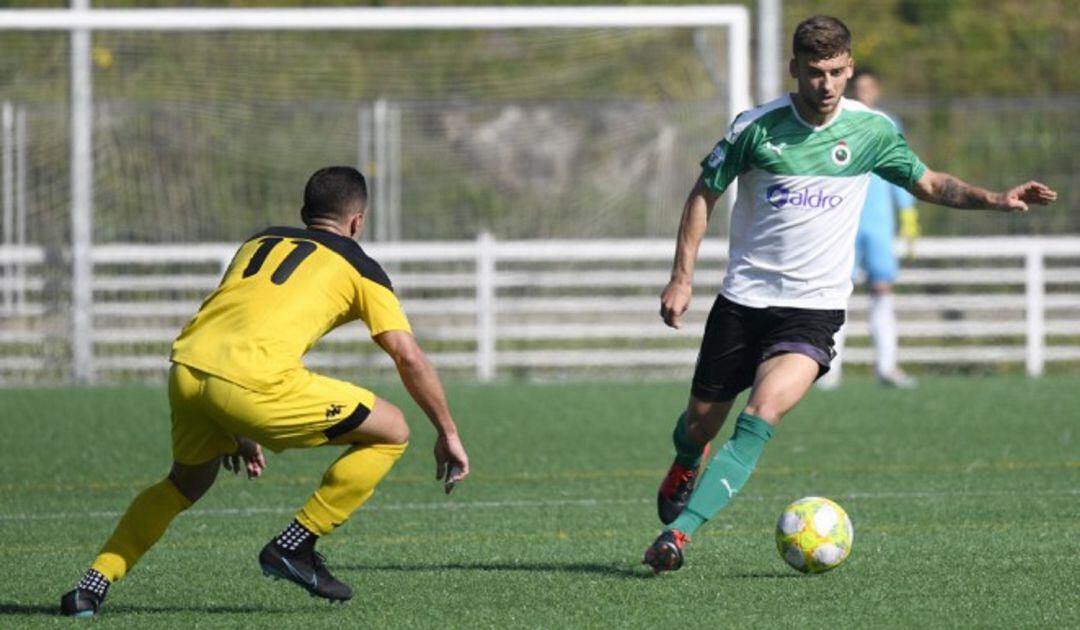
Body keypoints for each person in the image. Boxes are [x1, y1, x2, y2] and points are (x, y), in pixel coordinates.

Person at [642, 15, 1056, 573]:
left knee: (763, 413)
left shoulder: (871, 131)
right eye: (816, 72)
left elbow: (929, 182)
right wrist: (682, 277)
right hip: (743, 303)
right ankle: (688, 459)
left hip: (813, 311)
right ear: (795, 69)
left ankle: (679, 536)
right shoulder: (755, 129)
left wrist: (995, 199)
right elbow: (703, 194)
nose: (827, 84)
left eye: (837, 71)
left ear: (850, 67)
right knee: (699, 424)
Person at [60, 166, 470, 616]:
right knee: (393, 430)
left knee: (184, 484)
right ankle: (295, 544)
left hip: (188, 368)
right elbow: (408, 357)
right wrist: (447, 431)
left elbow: (237, 319)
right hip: (253, 382)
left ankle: (90, 586)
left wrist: (235, 424)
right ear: (357, 221)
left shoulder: (258, 241)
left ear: (304, 212)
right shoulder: (361, 267)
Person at [819, 67, 921, 389]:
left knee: (881, 290)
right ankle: (827, 370)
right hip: (843, 223)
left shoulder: (888, 124)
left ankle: (886, 367)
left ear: (877, 90)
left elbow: (903, 169)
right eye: (858, 88)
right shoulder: (836, 122)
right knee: (837, 292)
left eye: (869, 87)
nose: (863, 93)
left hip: (878, 224)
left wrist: (908, 214)